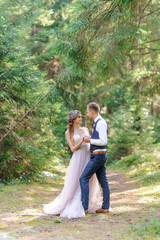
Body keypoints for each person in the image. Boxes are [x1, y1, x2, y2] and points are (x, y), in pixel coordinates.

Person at [43, 110, 101, 218]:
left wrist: (91, 142)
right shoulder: (68, 133)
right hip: (78, 157)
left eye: (81, 116)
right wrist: (81, 141)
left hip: (87, 156)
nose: (81, 118)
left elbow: (90, 141)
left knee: (89, 179)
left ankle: (86, 204)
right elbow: (73, 148)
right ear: (73, 119)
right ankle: (75, 203)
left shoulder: (85, 129)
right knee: (77, 180)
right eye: (78, 117)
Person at [80, 102, 110, 214]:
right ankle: (105, 207)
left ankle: (84, 208)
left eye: (87, 112)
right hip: (99, 155)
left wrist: (89, 140)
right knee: (103, 181)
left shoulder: (101, 123)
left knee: (83, 178)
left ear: (92, 112)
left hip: (98, 156)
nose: (87, 114)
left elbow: (103, 141)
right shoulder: (97, 122)